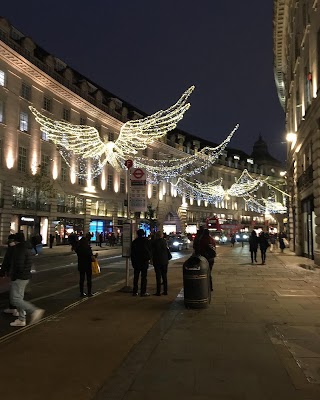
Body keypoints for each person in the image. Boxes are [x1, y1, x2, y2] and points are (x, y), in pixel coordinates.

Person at [8, 232, 45, 327]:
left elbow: (19, 265)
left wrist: (14, 276)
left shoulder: (20, 249)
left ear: (16, 241)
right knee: (19, 298)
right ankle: (21, 319)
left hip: (20, 277)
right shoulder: (26, 248)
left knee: (15, 299)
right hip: (25, 276)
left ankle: (34, 310)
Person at [130, 229, 152, 297]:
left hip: (136, 261)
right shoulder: (146, 241)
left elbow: (132, 253)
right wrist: (149, 258)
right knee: (144, 277)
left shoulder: (134, 242)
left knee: (136, 276)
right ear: (143, 234)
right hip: (144, 261)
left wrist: (133, 261)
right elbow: (150, 251)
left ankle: (135, 291)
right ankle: (143, 292)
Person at [1, 234, 18, 316]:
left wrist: (3, 271)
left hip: (14, 273)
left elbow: (6, 261)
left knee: (15, 292)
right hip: (17, 273)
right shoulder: (21, 248)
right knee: (15, 291)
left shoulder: (12, 249)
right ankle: (13, 308)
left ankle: (16, 310)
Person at [151, 231, 171, 296]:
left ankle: (158, 291)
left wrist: (151, 259)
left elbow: (152, 252)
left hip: (157, 261)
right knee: (164, 276)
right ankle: (165, 291)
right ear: (162, 235)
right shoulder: (165, 242)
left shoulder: (154, 242)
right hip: (164, 261)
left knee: (158, 277)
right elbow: (167, 250)